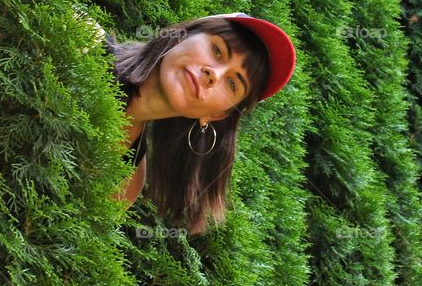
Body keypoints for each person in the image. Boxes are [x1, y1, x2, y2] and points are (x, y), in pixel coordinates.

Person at [104, 13, 296, 236]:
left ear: (216, 115)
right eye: (217, 51)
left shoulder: (128, 182)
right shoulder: (83, 39)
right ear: (180, 37)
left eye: (232, 83)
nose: (214, 74)